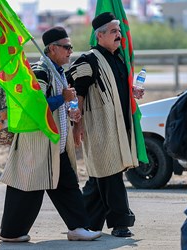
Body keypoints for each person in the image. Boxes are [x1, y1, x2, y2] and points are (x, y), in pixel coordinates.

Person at [0, 26, 102, 242]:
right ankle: (10, 233)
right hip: (37, 144)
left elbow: (56, 105)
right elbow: (36, 107)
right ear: (52, 49)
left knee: (68, 186)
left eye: (70, 47)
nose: (70, 51)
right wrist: (61, 99)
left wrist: (69, 110)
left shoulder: (59, 72)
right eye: (66, 47)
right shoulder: (40, 71)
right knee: (27, 189)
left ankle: (78, 227)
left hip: (56, 146)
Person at [66, 12, 143, 237]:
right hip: (100, 126)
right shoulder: (87, 59)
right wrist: (76, 123)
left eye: (119, 31)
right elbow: (77, 93)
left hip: (120, 124)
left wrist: (133, 91)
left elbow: (119, 86)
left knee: (100, 176)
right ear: (99, 36)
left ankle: (86, 222)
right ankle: (121, 223)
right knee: (110, 172)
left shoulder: (118, 57)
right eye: (113, 32)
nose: (119, 35)